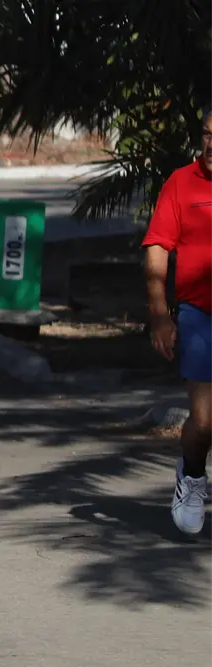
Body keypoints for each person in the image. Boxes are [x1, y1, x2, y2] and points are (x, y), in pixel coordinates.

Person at [143, 107, 212, 536]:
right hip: (199, 314)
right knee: (204, 421)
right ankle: (191, 475)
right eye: (208, 134)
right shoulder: (181, 183)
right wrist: (158, 314)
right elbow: (157, 247)